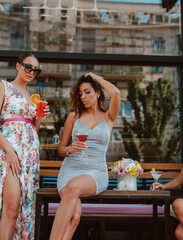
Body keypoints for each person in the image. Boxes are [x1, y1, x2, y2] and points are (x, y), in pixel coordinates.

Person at [49, 72, 121, 240]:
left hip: (95, 171)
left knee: (72, 187)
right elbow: (61, 149)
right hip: (70, 168)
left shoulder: (109, 117)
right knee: (74, 218)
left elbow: (116, 93)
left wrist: (97, 78)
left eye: (88, 92)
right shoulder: (74, 116)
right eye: (81, 93)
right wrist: (70, 149)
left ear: (98, 92)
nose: (83, 97)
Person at [0, 53, 50, 239]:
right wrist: (10, 152)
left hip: (29, 156)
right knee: (11, 207)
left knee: (23, 208)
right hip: (9, 152)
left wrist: (39, 118)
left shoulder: (32, 96)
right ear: (17, 65)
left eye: (36, 70)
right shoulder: (3, 86)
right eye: (28, 67)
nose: (31, 72)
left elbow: (32, 131)